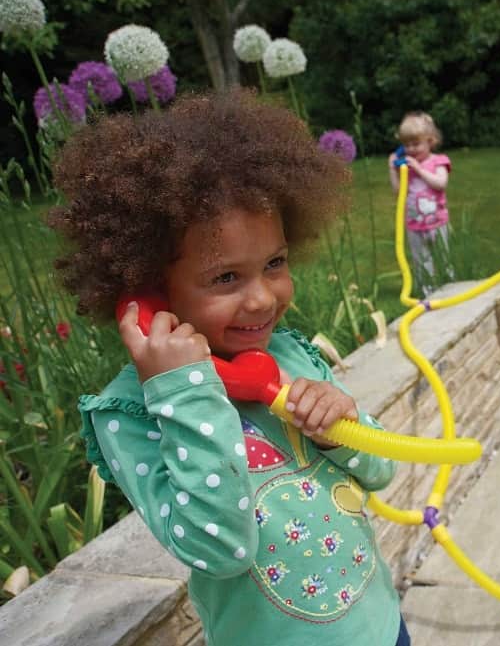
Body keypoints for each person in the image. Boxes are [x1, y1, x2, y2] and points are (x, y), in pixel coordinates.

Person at [49, 90, 410, 646]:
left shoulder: (287, 354)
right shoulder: (131, 412)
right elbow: (221, 549)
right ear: (148, 289)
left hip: (381, 628)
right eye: (226, 278)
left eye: (274, 263)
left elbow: (381, 468)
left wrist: (339, 427)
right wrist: (182, 392)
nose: (263, 298)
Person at [388, 111, 452, 295]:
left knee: (443, 258)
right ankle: (427, 293)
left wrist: (419, 169)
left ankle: (450, 288)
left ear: (430, 141)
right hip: (415, 225)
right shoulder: (405, 168)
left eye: (416, 144)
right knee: (421, 261)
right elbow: (398, 192)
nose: (411, 149)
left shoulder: (438, 162)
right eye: (406, 145)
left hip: (437, 223)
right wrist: (392, 170)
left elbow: (441, 183)